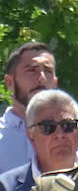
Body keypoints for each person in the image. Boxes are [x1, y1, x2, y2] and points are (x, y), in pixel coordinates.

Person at [0, 42, 61, 173]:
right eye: (32, 70)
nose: (42, 78)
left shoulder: (71, 136)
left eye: (48, 71)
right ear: (9, 82)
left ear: (55, 83)